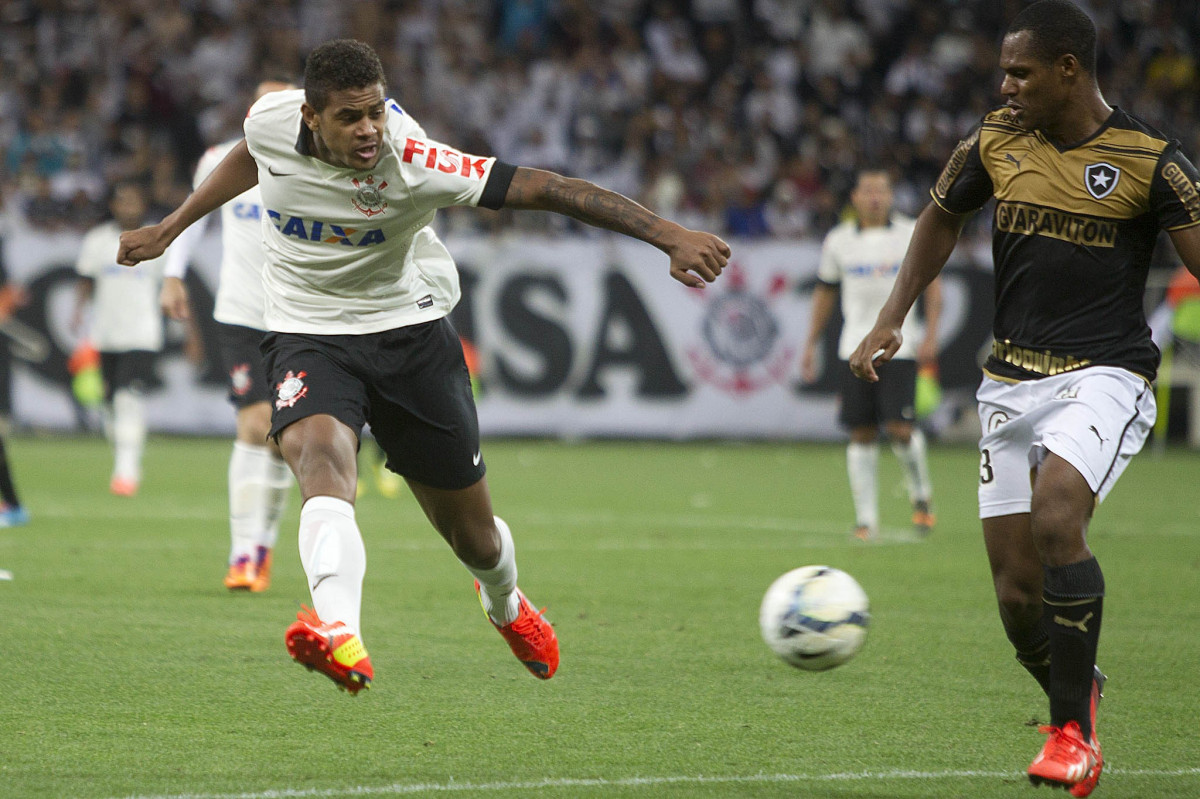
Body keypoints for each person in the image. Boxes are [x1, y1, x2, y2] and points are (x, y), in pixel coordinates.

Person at [118, 39, 729, 694]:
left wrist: (670, 234)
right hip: (308, 330)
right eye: (350, 117)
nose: (368, 129)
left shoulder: (413, 159)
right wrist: (172, 227)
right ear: (310, 118)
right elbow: (249, 156)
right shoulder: (272, 121)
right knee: (320, 461)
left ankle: (507, 603)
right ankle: (338, 632)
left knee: (476, 541)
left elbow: (549, 187)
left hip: (409, 335)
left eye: (375, 112)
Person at [848, 2, 1200, 796]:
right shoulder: (994, 140)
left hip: (1104, 374)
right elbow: (940, 217)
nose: (1004, 86)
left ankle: (1073, 734)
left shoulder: (1152, 160)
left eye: (1020, 72)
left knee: (1057, 516)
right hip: (1009, 381)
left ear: (1069, 70)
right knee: (1015, 601)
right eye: (1003, 72)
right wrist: (890, 315)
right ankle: (1081, 689)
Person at [162, 80, 295, 594]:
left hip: (297, 317)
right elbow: (195, 216)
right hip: (239, 310)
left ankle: (262, 544)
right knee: (252, 425)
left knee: (284, 442)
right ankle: (242, 553)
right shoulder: (221, 158)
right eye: (258, 101)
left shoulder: (314, 160)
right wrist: (173, 273)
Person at [801, 169, 941, 541]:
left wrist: (932, 333)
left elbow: (933, 286)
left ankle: (921, 495)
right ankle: (866, 521)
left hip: (902, 345)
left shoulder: (911, 233)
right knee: (861, 432)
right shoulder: (839, 240)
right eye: (868, 190)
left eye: (882, 190)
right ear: (855, 198)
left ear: (891, 196)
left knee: (899, 428)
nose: (875, 197)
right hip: (853, 347)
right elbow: (825, 293)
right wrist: (811, 342)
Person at [74, 181, 166, 496]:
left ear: (143, 204)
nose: (128, 207)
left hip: (141, 332)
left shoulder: (156, 239)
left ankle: (127, 471)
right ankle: (124, 460)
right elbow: (86, 281)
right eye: (122, 201)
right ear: (113, 205)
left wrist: (190, 329)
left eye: (134, 201)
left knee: (129, 398)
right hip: (106, 333)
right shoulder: (98, 241)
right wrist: (77, 315)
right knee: (109, 404)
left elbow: (171, 285)